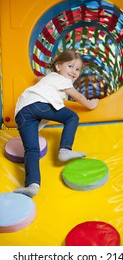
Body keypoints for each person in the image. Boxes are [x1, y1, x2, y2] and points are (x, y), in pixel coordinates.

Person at [14, 50, 99, 197]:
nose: (74, 72)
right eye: (70, 66)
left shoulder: (50, 77)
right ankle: (65, 149)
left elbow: (36, 79)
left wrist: (46, 76)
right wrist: (91, 104)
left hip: (21, 111)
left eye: (77, 69)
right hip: (38, 104)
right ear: (59, 67)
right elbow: (78, 96)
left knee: (31, 150)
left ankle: (32, 185)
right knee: (72, 117)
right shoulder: (61, 79)